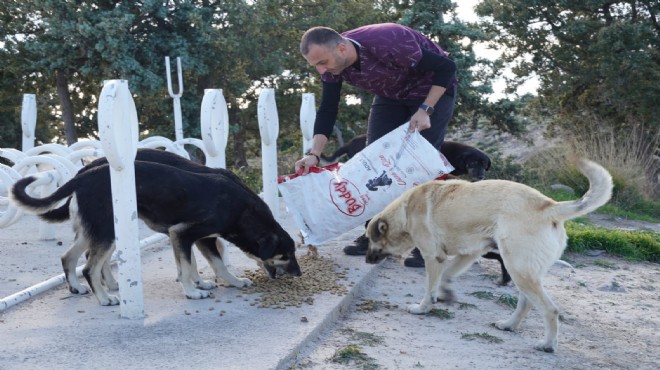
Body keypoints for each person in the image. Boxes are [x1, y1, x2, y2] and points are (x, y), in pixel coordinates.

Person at [294, 23, 457, 267]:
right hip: (390, 96)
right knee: (373, 162)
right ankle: (377, 234)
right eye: (316, 65)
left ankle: (430, 243)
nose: (321, 69)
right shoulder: (331, 68)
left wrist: (425, 110)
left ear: (341, 48)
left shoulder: (389, 40)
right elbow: (328, 109)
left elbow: (446, 67)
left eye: (323, 62)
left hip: (430, 91)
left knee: (421, 165)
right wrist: (314, 154)